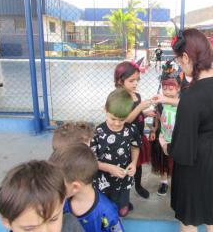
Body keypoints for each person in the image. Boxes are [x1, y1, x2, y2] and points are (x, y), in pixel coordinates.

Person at [156, 28, 213, 232]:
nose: (180, 65)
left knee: (189, 219)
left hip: (196, 163)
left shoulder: (193, 96)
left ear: (186, 56)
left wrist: (165, 146)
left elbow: (182, 149)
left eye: (179, 60)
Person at [90, 88, 142, 217]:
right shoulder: (97, 132)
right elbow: (90, 160)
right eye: (113, 119)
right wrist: (107, 167)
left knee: (122, 211)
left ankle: (122, 204)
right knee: (104, 210)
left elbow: (135, 147)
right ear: (105, 110)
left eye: (122, 119)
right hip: (103, 179)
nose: (117, 123)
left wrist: (134, 163)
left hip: (124, 177)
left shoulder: (131, 129)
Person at [49, 144, 124, 232]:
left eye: (57, 183)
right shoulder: (61, 200)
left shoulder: (107, 212)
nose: (52, 187)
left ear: (75, 187)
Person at [0, 160, 84, 232]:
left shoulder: (70, 226)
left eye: (53, 219)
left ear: (63, 202)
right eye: (30, 228)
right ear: (6, 221)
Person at [114, 61, 153, 199]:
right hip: (125, 138)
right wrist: (140, 108)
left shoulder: (136, 95)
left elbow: (137, 115)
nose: (135, 83)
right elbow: (125, 120)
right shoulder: (119, 98)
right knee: (125, 165)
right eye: (131, 81)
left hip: (138, 136)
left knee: (138, 164)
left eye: (137, 80)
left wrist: (145, 113)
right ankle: (124, 193)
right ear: (120, 81)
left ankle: (138, 185)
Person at [150, 61, 180, 196]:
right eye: (164, 88)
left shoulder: (182, 103)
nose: (167, 92)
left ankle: (179, 183)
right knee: (163, 162)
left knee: (177, 163)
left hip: (178, 140)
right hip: (163, 138)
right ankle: (164, 182)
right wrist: (153, 130)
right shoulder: (160, 103)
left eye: (171, 89)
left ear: (178, 88)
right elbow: (156, 118)